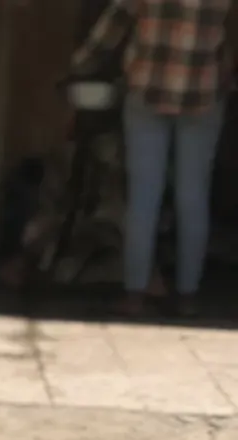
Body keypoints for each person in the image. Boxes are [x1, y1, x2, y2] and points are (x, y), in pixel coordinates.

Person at [73, 0, 235, 314]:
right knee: (193, 197)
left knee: (143, 196)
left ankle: (135, 294)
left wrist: (81, 64)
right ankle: (188, 296)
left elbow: (112, 26)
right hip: (202, 94)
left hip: (147, 91)